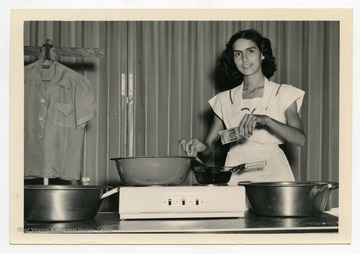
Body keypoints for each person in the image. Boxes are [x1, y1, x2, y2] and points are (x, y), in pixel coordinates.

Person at [180, 29, 306, 184]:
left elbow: (300, 139)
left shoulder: (283, 92)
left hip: (274, 172)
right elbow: (209, 146)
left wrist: (267, 120)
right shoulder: (224, 99)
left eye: (250, 51)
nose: (244, 59)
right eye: (237, 54)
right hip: (236, 170)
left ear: (262, 54)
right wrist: (201, 146)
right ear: (233, 59)